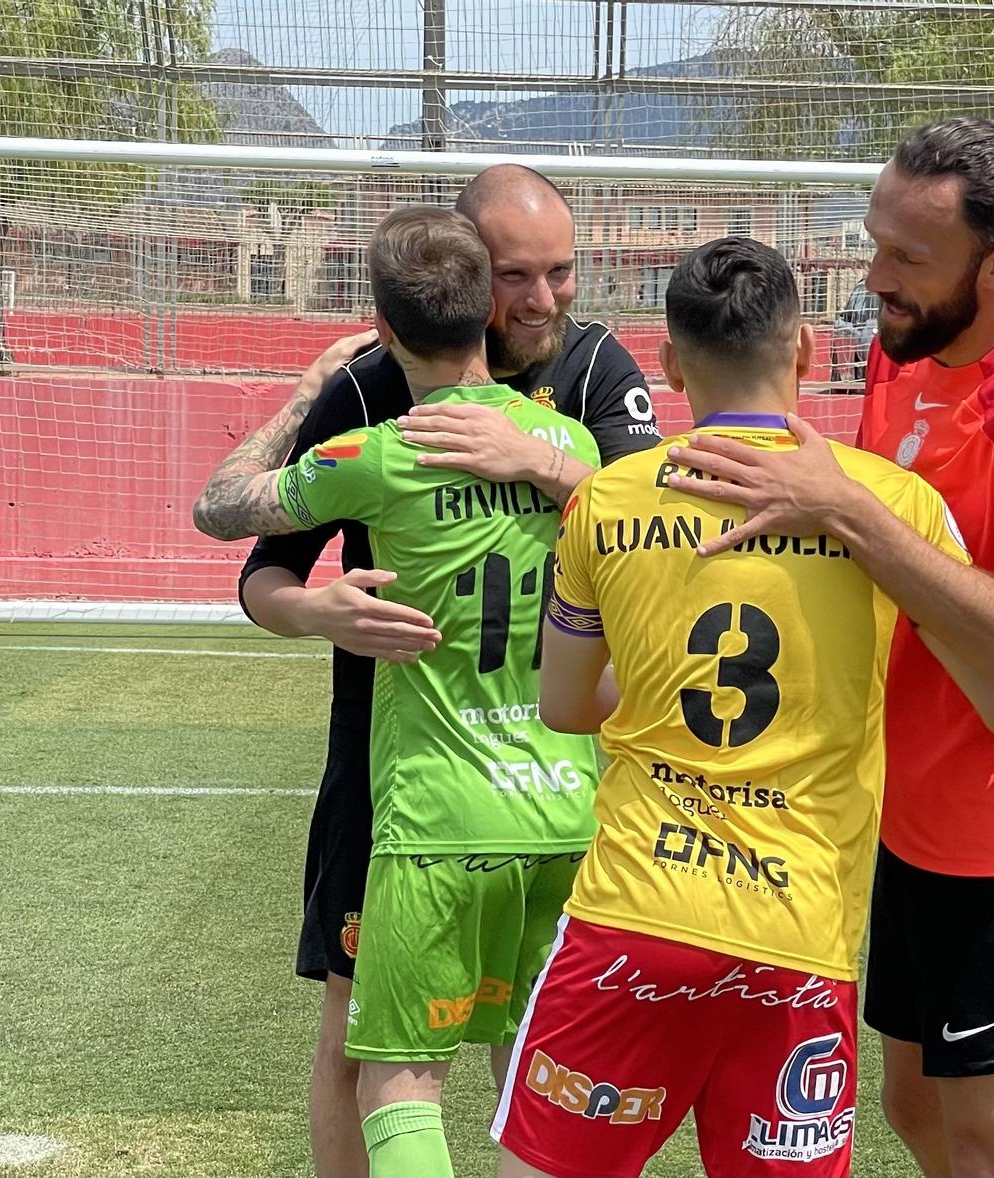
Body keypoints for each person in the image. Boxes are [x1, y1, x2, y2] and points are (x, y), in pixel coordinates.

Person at [491, 236, 994, 1178]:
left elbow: (565, 703)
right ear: (801, 355)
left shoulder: (605, 503)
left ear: (668, 362)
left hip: (634, 918)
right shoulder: (891, 507)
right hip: (798, 938)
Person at [666, 119, 994, 1178]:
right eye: (873, 243)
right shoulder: (897, 355)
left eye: (908, 259)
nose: (874, 278)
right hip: (905, 820)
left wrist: (843, 511)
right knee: (917, 1112)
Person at [200, 163, 661, 1178]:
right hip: (406, 771)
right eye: (516, 276)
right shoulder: (369, 385)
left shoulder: (590, 375)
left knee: (443, 1061)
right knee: (352, 1028)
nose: (542, 300)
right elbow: (264, 570)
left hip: (487, 778)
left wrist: (542, 463)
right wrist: (313, 610)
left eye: (561, 272)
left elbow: (657, 525)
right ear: (466, 273)